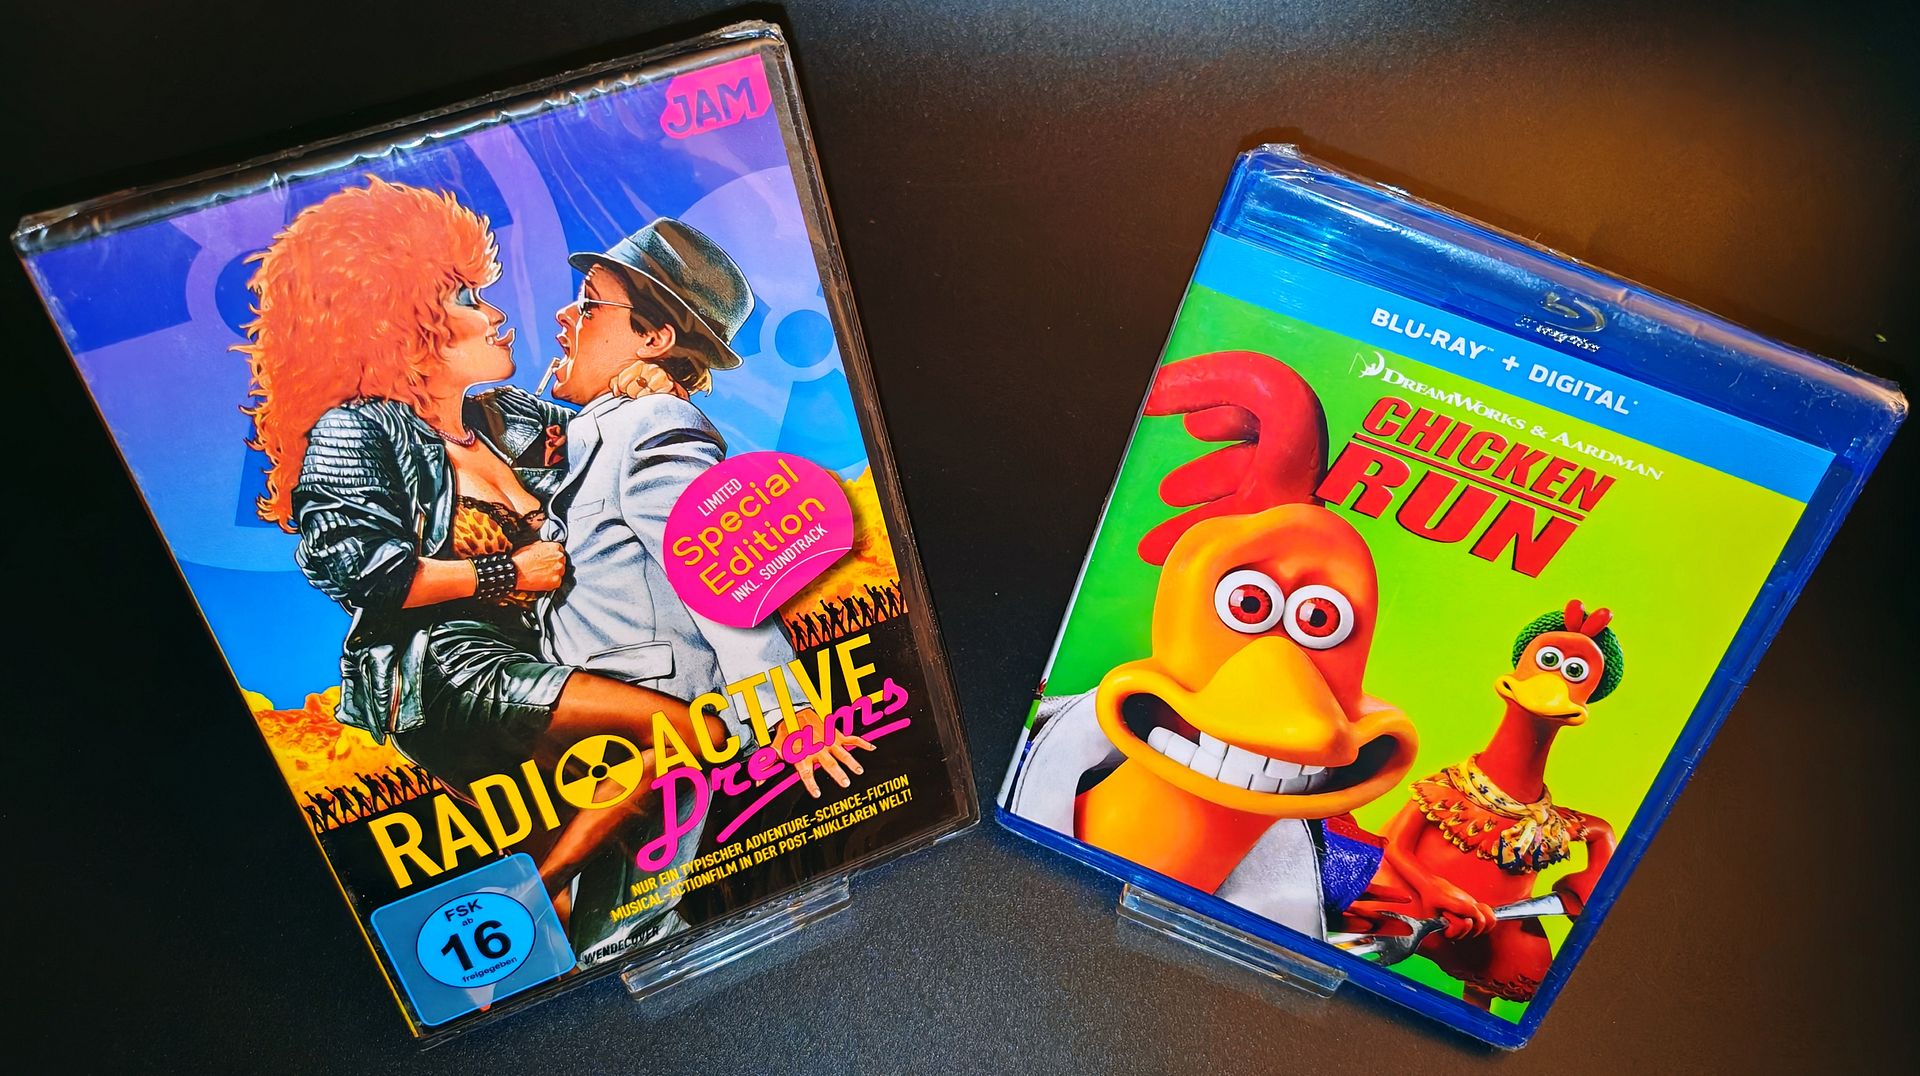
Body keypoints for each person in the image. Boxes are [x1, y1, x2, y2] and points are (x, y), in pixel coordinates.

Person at [239, 178, 715, 920]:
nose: (497, 316)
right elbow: (364, 574)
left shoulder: (503, 417)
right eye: (466, 298)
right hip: (448, 673)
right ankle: (530, 897)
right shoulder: (356, 430)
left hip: (539, 658)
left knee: (610, 817)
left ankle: (561, 932)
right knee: (696, 734)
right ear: (398, 322)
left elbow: (606, 448)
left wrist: (648, 380)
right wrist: (505, 570)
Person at [537, 219, 872, 955]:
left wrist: (786, 711)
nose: (564, 316)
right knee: (607, 933)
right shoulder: (595, 431)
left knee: (625, 938)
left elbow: (717, 575)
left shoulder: (653, 424)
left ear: (655, 338)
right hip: (601, 739)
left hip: (659, 732)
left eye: (588, 304)